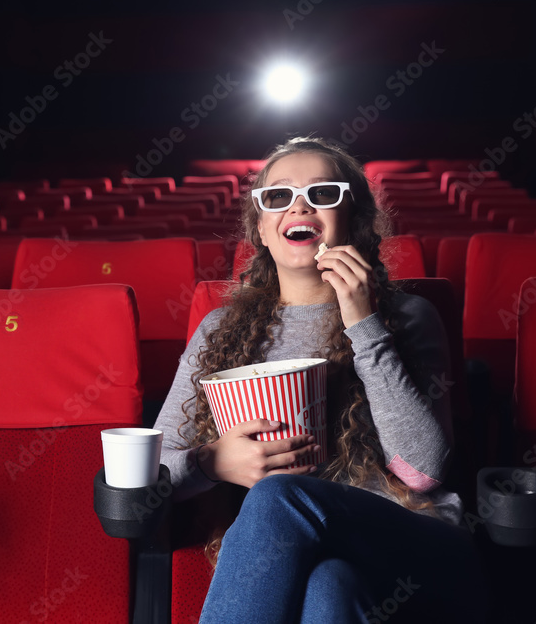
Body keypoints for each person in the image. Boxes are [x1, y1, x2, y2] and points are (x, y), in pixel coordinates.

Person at [153, 137, 487, 623]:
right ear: (262, 230)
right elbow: (156, 471)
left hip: (412, 543)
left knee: (276, 496)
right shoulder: (220, 330)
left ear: (354, 219)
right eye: (278, 197)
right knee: (329, 588)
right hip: (303, 559)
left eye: (323, 193)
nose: (300, 206)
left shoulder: (411, 316)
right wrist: (210, 463)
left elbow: (422, 470)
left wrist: (361, 319)